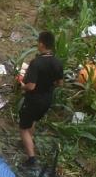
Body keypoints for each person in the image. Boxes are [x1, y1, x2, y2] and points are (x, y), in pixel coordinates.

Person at [18, 31, 64, 168]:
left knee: (23, 129)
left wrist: (22, 86)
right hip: (47, 100)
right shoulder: (57, 62)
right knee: (32, 120)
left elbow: (31, 86)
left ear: (42, 45)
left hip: (33, 101)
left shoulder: (36, 63)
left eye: (38, 42)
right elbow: (60, 83)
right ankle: (27, 142)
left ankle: (32, 160)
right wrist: (48, 86)